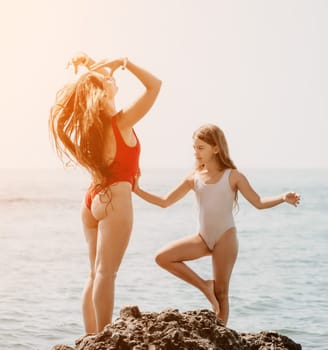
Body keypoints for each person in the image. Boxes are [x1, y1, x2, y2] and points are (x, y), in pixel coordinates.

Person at [133, 124, 300, 325]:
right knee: (162, 257)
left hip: (225, 238)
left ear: (216, 148)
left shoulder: (233, 176)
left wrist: (283, 197)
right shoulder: (193, 178)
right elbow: (164, 201)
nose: (196, 153)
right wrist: (137, 189)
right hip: (202, 238)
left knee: (221, 292)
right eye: (194, 148)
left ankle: (221, 335)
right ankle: (204, 286)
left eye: (200, 148)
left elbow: (258, 202)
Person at [49, 53, 162, 333]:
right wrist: (127, 62)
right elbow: (155, 85)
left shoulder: (94, 128)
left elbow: (94, 83)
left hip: (92, 201)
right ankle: (104, 340)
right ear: (103, 92)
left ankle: (90, 339)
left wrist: (92, 65)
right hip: (115, 199)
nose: (113, 79)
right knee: (106, 274)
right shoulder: (120, 122)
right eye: (108, 80)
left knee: (95, 274)